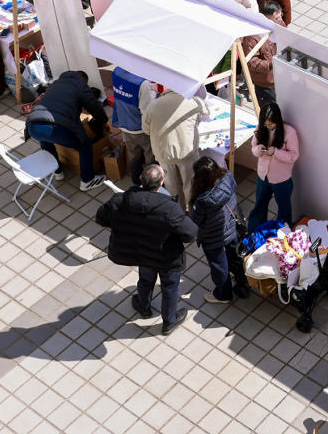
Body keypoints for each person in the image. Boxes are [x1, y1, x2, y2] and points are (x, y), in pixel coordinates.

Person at [95, 163, 198, 336]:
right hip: (167, 257)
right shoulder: (169, 208)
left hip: (141, 253)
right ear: (161, 183)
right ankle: (169, 322)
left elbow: (101, 217)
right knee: (169, 287)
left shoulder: (120, 200)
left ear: (141, 178)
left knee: (145, 279)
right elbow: (190, 233)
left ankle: (143, 306)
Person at [25, 69, 107, 189]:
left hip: (33, 124)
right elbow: (95, 107)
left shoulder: (56, 84)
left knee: (46, 141)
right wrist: (103, 122)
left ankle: (57, 172)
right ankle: (87, 180)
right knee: (84, 145)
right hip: (54, 127)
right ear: (84, 81)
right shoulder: (81, 85)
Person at [188, 156, 246, 304]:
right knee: (235, 256)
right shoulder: (228, 178)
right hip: (231, 228)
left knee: (219, 267)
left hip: (213, 238)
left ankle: (223, 295)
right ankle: (241, 279)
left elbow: (194, 221)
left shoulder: (202, 200)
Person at [143, 86, 206, 208]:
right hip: (187, 153)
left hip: (163, 154)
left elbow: (146, 129)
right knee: (191, 186)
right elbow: (206, 112)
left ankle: (178, 211)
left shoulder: (153, 105)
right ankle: (192, 211)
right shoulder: (193, 101)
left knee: (172, 189)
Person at [249, 99, 300, 228]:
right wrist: (259, 149)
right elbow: (253, 148)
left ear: (277, 120)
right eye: (265, 124)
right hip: (263, 176)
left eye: (271, 124)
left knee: (284, 210)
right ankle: (255, 230)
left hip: (282, 180)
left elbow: (293, 156)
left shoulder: (289, 132)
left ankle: (282, 232)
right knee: (260, 205)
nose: (268, 126)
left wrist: (276, 152)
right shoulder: (260, 128)